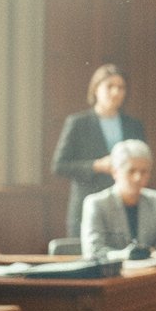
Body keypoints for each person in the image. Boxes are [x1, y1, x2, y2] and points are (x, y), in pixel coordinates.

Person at [52, 64, 146, 238]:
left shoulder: (133, 125)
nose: (116, 92)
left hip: (125, 206)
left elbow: (143, 163)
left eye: (121, 87)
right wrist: (97, 166)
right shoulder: (78, 123)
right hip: (87, 205)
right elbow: (59, 165)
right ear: (96, 89)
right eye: (110, 86)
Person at [80, 139, 156, 259]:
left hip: (149, 273)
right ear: (115, 172)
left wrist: (153, 251)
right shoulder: (96, 203)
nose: (138, 177)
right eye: (131, 171)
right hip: (113, 274)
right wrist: (129, 255)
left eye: (144, 171)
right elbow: (92, 252)